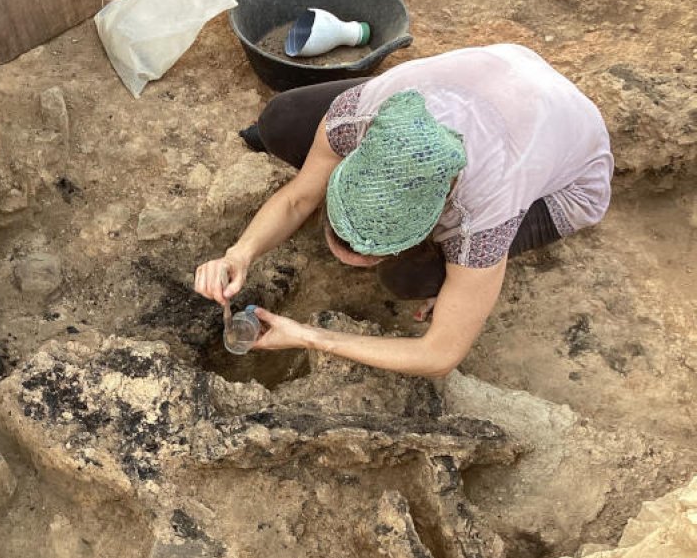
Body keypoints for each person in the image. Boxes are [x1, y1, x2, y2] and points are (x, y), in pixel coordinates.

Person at [194, 44, 612, 377]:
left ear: (427, 224)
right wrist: (239, 253)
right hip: (505, 68)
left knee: (408, 276)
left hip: (567, 166)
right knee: (282, 120)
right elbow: (298, 197)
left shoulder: (482, 216)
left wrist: (310, 337)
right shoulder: (361, 114)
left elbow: (439, 354)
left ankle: (431, 272)